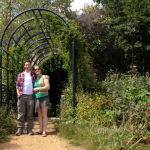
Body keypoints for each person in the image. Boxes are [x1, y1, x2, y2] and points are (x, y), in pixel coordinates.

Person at [16, 60, 49, 136]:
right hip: (22, 96)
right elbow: (17, 86)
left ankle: (29, 130)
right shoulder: (20, 75)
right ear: (24, 66)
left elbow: (40, 75)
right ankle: (20, 130)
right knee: (21, 113)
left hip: (31, 96)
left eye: (28, 65)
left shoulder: (32, 74)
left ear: (30, 66)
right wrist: (18, 95)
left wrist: (47, 76)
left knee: (30, 114)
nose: (27, 66)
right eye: (26, 65)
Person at [33, 65, 50, 137]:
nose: (37, 70)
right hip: (37, 98)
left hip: (44, 97)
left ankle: (44, 131)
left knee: (44, 115)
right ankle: (40, 130)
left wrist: (37, 89)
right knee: (39, 115)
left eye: (38, 69)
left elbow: (48, 87)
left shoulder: (44, 77)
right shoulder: (34, 78)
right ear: (34, 71)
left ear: (40, 69)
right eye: (35, 69)